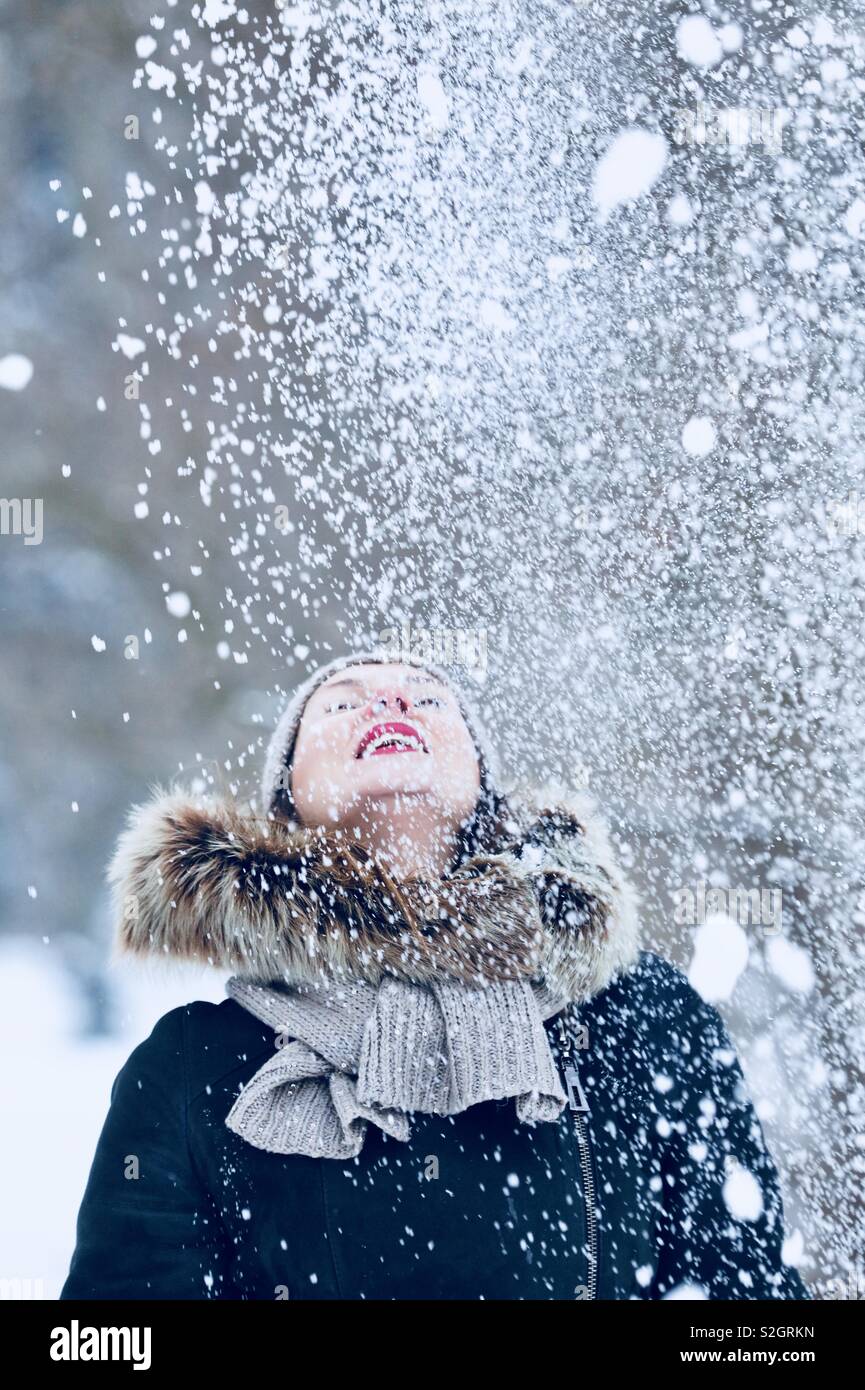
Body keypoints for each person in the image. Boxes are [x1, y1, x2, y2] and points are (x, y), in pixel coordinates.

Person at [60, 649, 811, 1300]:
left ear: (482, 782)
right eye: (342, 703)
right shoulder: (192, 1063)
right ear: (283, 796)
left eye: (426, 699)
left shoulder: (638, 1011)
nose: (390, 704)